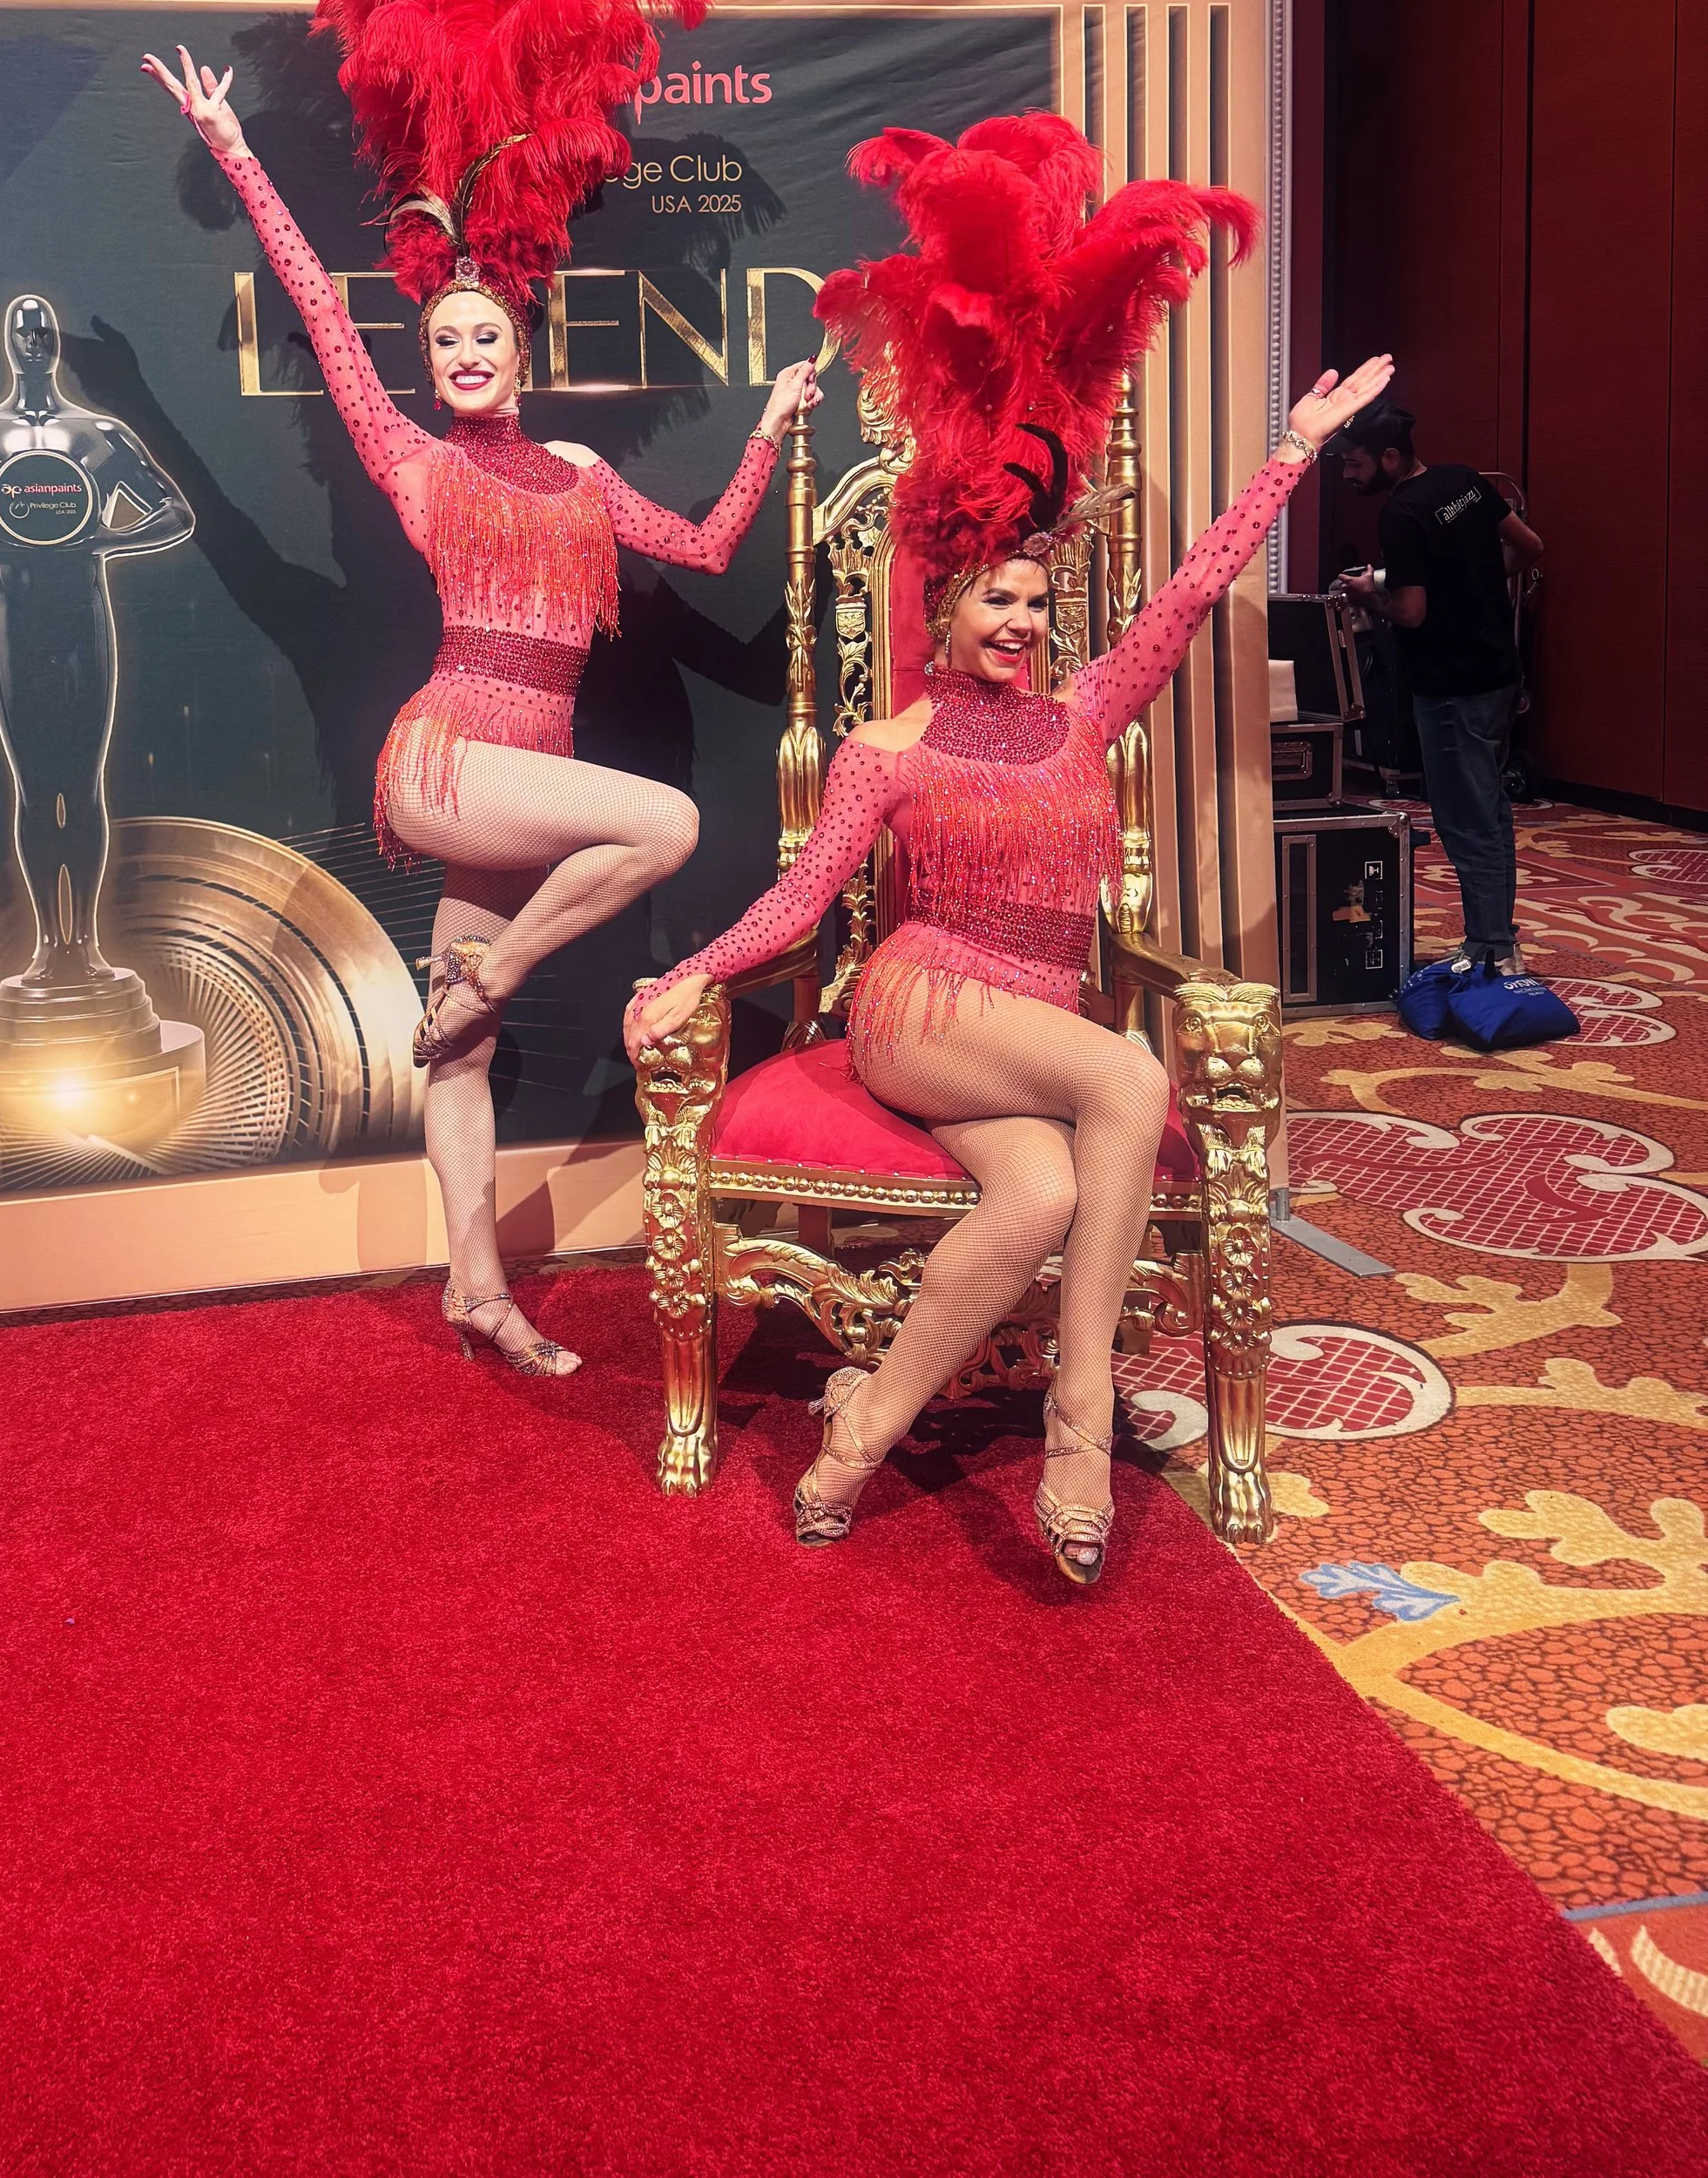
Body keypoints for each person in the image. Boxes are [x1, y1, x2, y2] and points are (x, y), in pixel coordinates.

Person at [624, 114, 1393, 1580]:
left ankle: (858, 1434)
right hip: (924, 1009)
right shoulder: (884, 752)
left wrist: (1294, 451)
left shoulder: (1089, 710)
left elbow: (1187, 589)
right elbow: (802, 894)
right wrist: (692, 978)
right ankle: (1084, 1408)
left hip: (1035, 1022)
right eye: (993, 602)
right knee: (1129, 1070)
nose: (1022, 621)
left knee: (1037, 1194)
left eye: (1037, 600)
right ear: (944, 612)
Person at [147, 0, 814, 1378]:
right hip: (449, 753)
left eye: (482, 343)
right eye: (442, 344)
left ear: (519, 351)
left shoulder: (581, 476)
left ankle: (473, 1280)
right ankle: (496, 979)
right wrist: (239, 148)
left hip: (513, 783)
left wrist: (776, 427)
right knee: (661, 827)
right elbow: (317, 306)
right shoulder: (408, 460)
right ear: (430, 357)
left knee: (466, 1035)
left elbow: (709, 551)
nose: (462, 361)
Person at [1334, 405, 1543, 976]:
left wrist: (1365, 597)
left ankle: (1492, 948)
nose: (1349, 476)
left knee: (1464, 817)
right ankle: (1498, 936)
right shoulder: (1465, 482)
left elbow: (1410, 609)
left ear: (1390, 457)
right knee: (1491, 810)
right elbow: (1530, 547)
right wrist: (1473, 585)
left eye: (1355, 463)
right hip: (1499, 672)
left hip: (1451, 688)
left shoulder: (1401, 512)